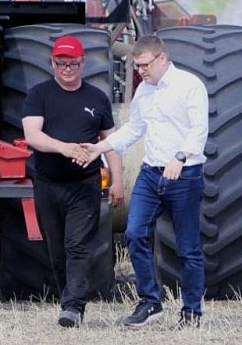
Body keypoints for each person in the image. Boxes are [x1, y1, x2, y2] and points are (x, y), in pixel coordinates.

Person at [83, 35, 208, 329]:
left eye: (144, 65)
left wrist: (180, 157)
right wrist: (99, 148)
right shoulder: (144, 91)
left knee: (188, 249)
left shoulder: (189, 86)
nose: (140, 71)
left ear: (162, 59)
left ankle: (192, 312)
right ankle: (150, 302)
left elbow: (199, 129)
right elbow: (134, 129)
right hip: (151, 174)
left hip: (185, 175)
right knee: (135, 233)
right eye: (137, 66)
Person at [21, 35, 124, 328]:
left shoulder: (97, 98)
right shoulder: (39, 95)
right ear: (52, 63)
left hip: (84, 185)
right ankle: (68, 297)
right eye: (61, 63)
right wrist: (64, 148)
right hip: (48, 184)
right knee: (56, 250)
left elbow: (111, 143)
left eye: (73, 64)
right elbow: (32, 135)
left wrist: (117, 181)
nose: (67, 69)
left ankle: (73, 307)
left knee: (77, 246)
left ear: (83, 63)